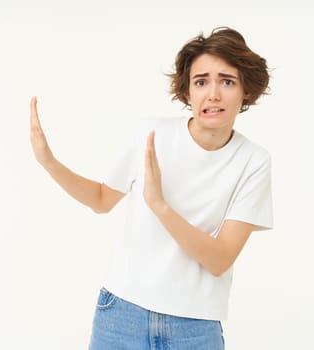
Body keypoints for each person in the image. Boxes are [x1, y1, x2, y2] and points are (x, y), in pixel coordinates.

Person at [30, 27, 273, 350]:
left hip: (195, 326)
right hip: (122, 314)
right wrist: (50, 162)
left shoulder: (252, 160)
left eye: (226, 81)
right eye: (201, 82)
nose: (212, 94)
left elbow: (219, 259)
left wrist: (160, 206)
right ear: (187, 92)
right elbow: (102, 200)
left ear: (246, 90)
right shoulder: (152, 134)